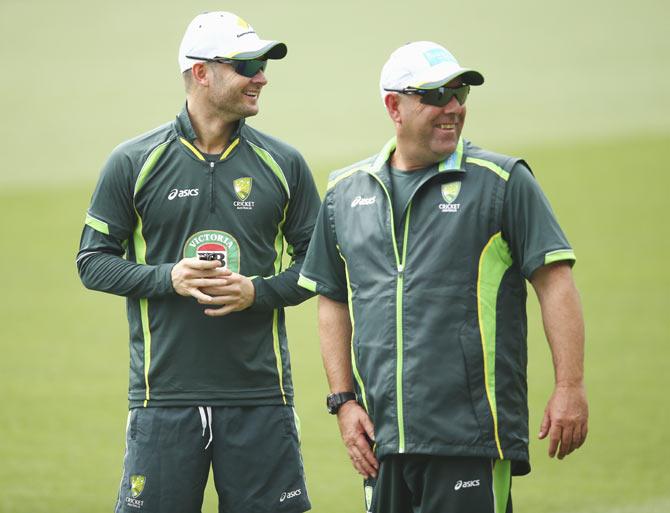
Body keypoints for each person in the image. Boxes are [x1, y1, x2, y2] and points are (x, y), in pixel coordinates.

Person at [298, 41, 588, 513]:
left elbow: (555, 282)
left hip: (471, 438)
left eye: (460, 93)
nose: (453, 107)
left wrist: (570, 386)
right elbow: (331, 297)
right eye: (436, 96)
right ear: (394, 105)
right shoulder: (344, 193)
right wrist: (343, 402)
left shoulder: (502, 181)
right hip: (384, 441)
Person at [76, 11, 319, 513]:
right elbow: (92, 262)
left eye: (262, 64)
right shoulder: (133, 161)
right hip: (162, 400)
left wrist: (260, 292)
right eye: (247, 65)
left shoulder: (284, 163)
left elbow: (319, 267)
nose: (261, 76)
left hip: (260, 400)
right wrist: (169, 277)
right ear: (202, 72)